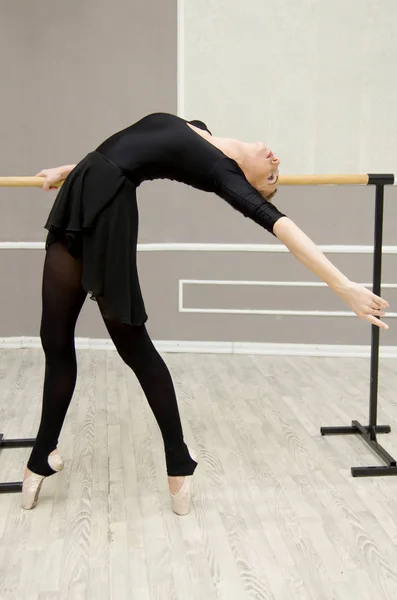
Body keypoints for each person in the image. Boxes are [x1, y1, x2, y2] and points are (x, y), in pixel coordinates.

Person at [22, 112, 389, 514]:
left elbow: (284, 227)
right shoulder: (199, 129)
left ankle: (179, 461)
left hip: (108, 210)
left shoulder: (221, 172)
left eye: (270, 180)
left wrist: (343, 285)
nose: (276, 165)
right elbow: (133, 149)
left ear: (244, 185)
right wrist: (71, 169)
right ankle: (43, 453)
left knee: (133, 347)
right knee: (53, 337)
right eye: (275, 172)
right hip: (81, 189)